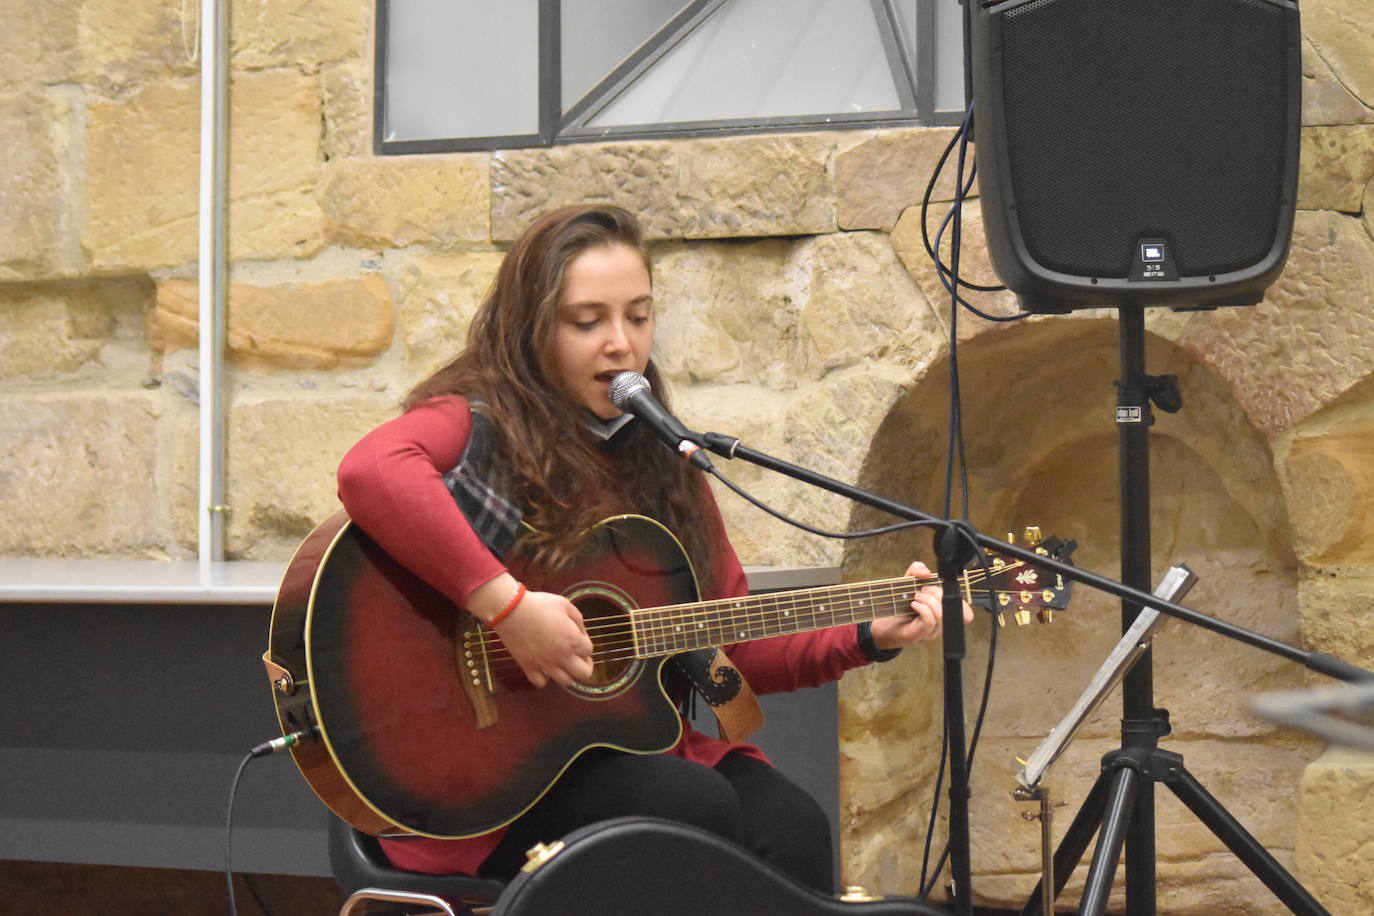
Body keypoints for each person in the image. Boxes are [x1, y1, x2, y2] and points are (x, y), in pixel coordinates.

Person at [335, 203, 969, 894]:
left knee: (792, 825)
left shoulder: (666, 463)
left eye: (638, 317)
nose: (621, 344)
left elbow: (736, 651)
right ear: (530, 330)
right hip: (480, 779)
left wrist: (870, 635)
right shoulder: (477, 421)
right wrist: (508, 608)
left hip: (618, 748)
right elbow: (371, 472)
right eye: (588, 322)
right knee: (687, 805)